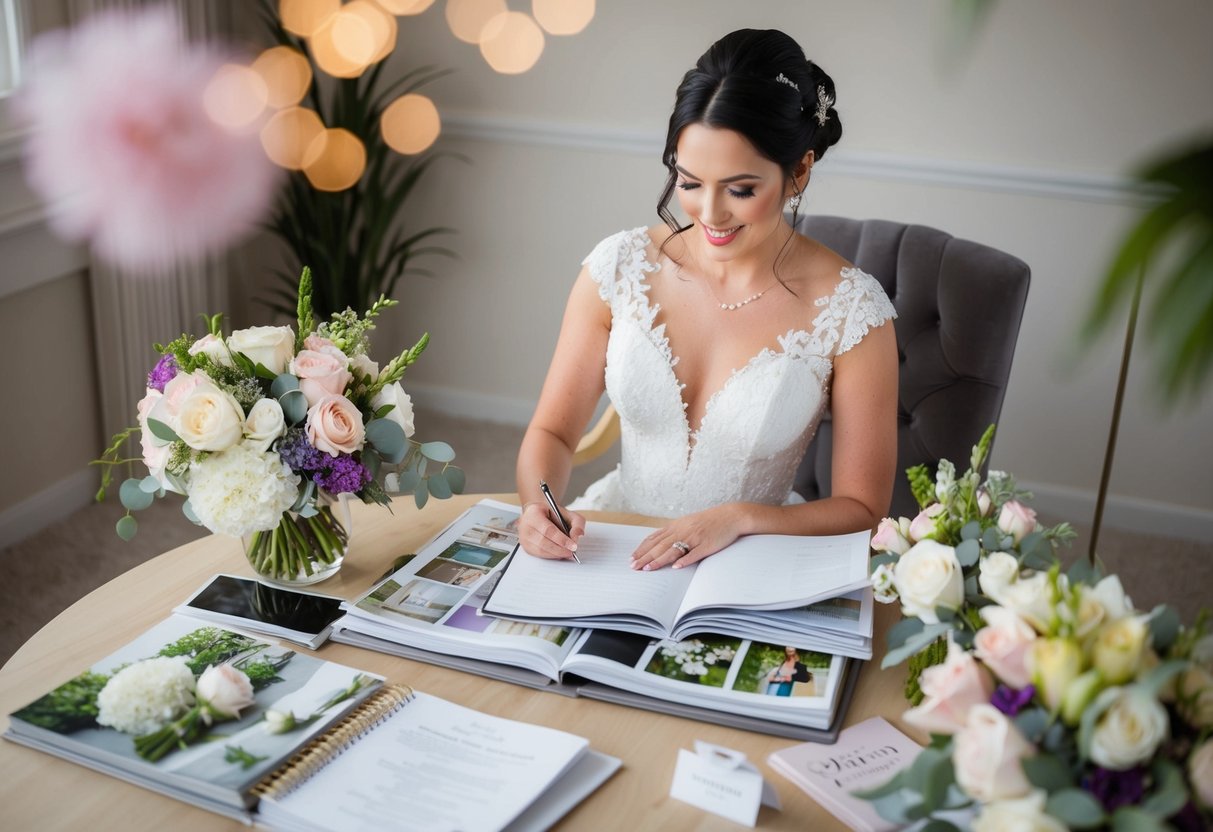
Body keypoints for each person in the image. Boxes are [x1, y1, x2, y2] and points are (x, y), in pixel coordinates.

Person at [516, 29, 897, 570]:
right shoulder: (620, 266)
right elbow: (552, 432)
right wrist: (539, 506)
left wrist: (740, 518)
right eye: (689, 181)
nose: (710, 213)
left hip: (752, 556)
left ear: (800, 171)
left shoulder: (853, 310)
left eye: (740, 189)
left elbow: (862, 508)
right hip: (614, 547)